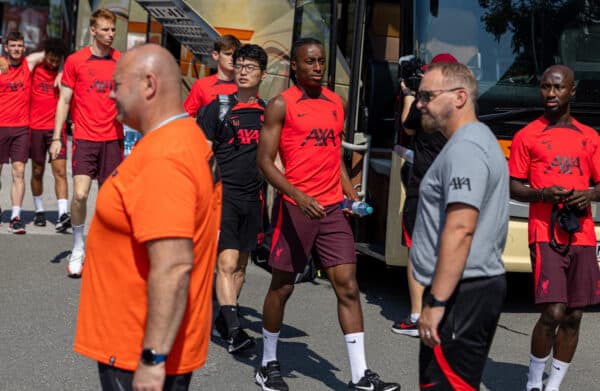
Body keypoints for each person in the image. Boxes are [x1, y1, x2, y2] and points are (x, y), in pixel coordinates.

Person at [73, 43, 222, 391]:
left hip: (137, 351)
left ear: (149, 85)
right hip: (137, 345)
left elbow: (173, 266)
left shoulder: (164, 158)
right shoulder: (185, 139)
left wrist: (153, 359)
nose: (110, 95)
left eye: (118, 85)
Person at [254, 37, 400, 391]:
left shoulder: (336, 103)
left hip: (332, 209)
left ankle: (360, 374)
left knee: (348, 286)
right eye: (310, 61)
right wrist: (297, 195)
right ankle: (267, 363)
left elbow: (333, 153)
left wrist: (350, 194)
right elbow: (263, 163)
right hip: (295, 209)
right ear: (295, 67)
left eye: (321, 61)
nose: (318, 67)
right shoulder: (280, 105)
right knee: (283, 287)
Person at [411, 62, 508, 389]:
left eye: (427, 95)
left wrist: (437, 302)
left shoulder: (466, 147)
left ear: (460, 97)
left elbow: (460, 228)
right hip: (466, 289)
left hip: (459, 294)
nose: (419, 103)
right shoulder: (473, 140)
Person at [508, 65, 600, 391]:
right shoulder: (526, 136)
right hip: (544, 233)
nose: (550, 94)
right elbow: (513, 186)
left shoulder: (590, 137)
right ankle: (533, 382)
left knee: (575, 315)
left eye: (557, 88)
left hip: (583, 234)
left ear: (572, 91)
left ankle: (553, 386)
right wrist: (542, 194)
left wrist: (588, 194)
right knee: (553, 311)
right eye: (545, 87)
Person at [198, 44, 267, 354]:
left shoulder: (268, 112)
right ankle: (235, 331)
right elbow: (201, 155)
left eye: (249, 67)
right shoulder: (218, 109)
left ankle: (226, 316)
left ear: (262, 74)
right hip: (224, 195)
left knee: (241, 265)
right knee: (226, 263)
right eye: (239, 65)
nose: (242, 71)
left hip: (255, 199)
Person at [49, 8, 123, 277]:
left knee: (108, 202)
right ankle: (78, 246)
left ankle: (102, 248)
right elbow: (64, 101)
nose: (110, 34)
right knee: (80, 195)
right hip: (85, 138)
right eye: (105, 29)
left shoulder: (121, 61)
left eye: (113, 30)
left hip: (113, 139)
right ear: (93, 31)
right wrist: (57, 137)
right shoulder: (76, 61)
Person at [392, 53, 457, 337]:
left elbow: (407, 126)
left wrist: (408, 93)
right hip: (454, 190)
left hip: (424, 189)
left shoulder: (426, 104)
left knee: (418, 254)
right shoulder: (463, 107)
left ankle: (417, 317)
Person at [0, 31, 45, 234]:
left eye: (20, 45)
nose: (17, 49)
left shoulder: (28, 64)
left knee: (19, 172)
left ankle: (16, 217)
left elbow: (53, 53)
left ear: (23, 47)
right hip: (0, 127)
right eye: (13, 46)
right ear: (6, 47)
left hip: (21, 128)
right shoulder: (1, 65)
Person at [29, 37, 70, 230]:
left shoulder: (65, 75)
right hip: (35, 128)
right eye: (51, 59)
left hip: (56, 130)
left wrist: (62, 70)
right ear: (45, 56)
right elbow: (31, 58)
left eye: (57, 60)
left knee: (60, 172)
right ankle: (39, 211)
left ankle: (63, 214)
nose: (53, 64)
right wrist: (56, 64)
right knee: (37, 171)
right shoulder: (35, 69)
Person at [184, 34, 240, 118]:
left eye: (236, 55)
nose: (232, 58)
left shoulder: (245, 85)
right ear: (215, 55)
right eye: (228, 54)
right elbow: (186, 117)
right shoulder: (201, 85)